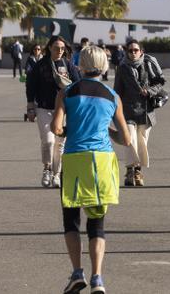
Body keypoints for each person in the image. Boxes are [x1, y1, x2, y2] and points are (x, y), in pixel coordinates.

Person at [52, 45, 132, 294]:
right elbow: (126, 139)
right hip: (102, 160)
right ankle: (97, 277)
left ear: (79, 65)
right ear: (105, 66)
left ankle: (77, 272)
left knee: (71, 219)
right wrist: (106, 131)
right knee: (97, 222)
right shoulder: (112, 96)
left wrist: (69, 129)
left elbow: (56, 128)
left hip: (75, 158)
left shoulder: (67, 92)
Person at [27, 36, 81, 188]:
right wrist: (30, 106)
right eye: (57, 48)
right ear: (50, 47)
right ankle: (47, 168)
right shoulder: (40, 65)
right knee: (48, 140)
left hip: (63, 110)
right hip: (44, 107)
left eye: (62, 48)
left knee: (60, 144)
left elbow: (79, 84)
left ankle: (57, 174)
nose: (60, 51)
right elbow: (30, 86)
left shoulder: (68, 65)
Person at [112, 40, 166, 187]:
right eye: (130, 51)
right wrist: (113, 110)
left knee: (142, 142)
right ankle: (130, 170)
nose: (133, 53)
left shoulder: (148, 64)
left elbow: (160, 82)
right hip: (128, 110)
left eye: (136, 50)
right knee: (130, 140)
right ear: (126, 52)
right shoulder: (122, 68)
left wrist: (149, 91)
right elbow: (117, 91)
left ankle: (137, 170)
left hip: (146, 111)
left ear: (141, 51)